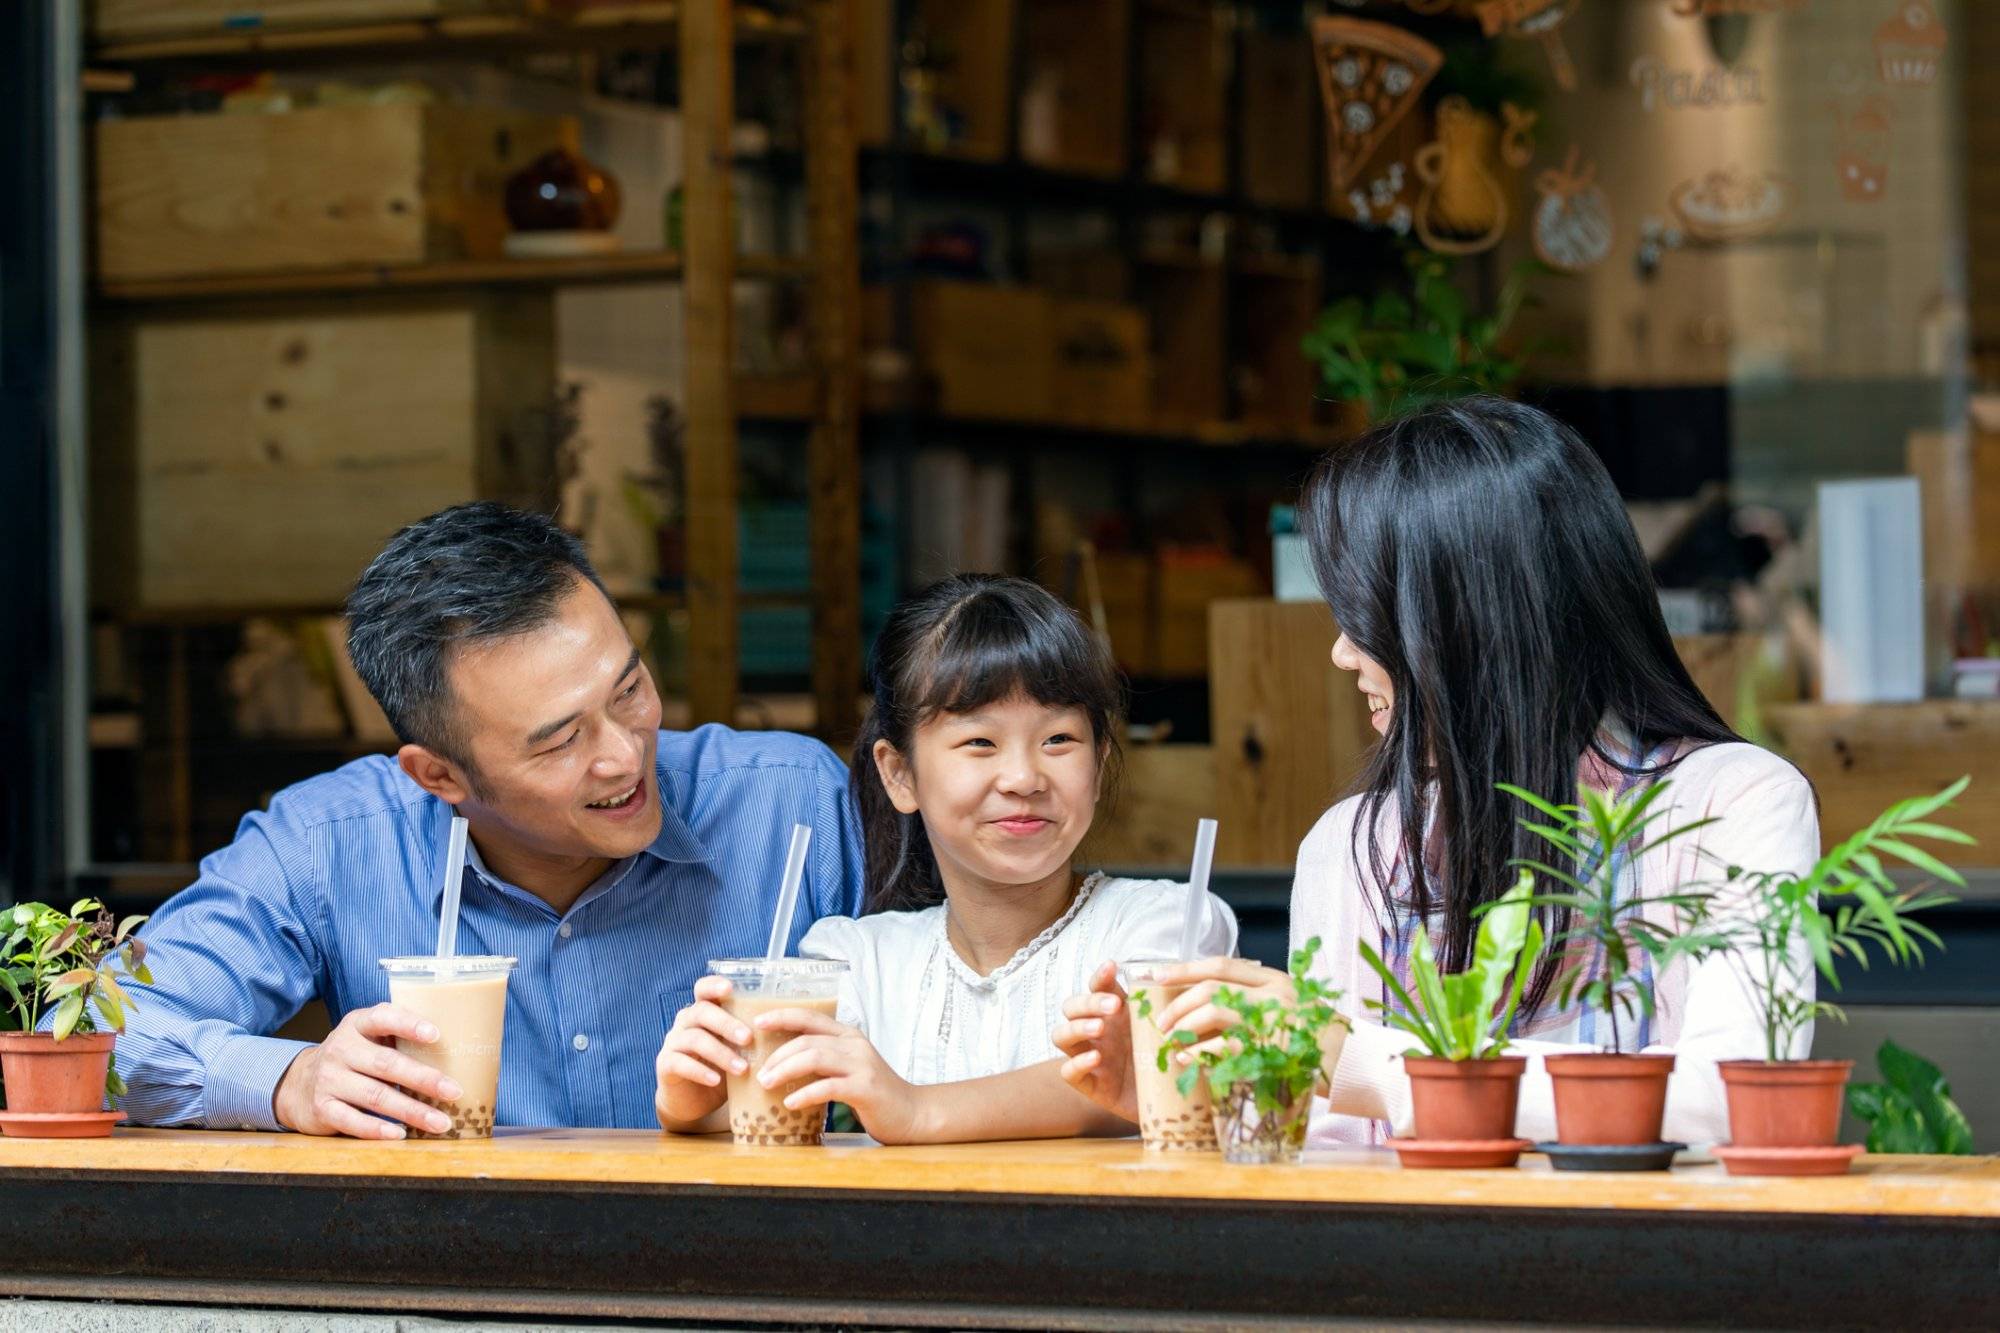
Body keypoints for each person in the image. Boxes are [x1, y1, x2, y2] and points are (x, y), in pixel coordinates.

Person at [1054, 397, 1816, 1147]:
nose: (1341, 653)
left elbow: (1731, 1097)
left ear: (1461, 621)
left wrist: (1356, 1057)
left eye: (1363, 616)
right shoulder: (1353, 843)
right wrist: (1180, 1099)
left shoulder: (1729, 802)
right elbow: (1334, 1151)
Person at [112, 504, 862, 1137]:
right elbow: (95, 1038)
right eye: (562, 739)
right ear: (438, 774)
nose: (625, 755)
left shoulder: (793, 803)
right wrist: (290, 1081)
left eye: (630, 688)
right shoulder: (329, 845)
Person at [655, 575, 1235, 1143]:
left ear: (1100, 762)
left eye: (1058, 739)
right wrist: (695, 1106)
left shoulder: (1167, 925)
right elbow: (775, 1106)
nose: (1023, 777)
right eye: (980, 742)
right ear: (899, 774)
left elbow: (1146, 1086)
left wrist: (917, 1110)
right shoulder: (857, 961)